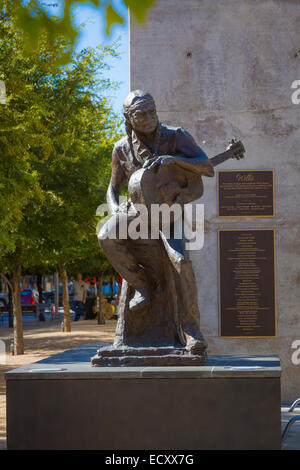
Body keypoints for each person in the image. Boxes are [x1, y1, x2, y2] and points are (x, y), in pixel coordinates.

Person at [98, 90, 214, 354]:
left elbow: (207, 167)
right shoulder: (121, 148)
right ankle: (143, 286)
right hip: (135, 212)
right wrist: (115, 209)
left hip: (169, 214)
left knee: (181, 262)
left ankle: (193, 332)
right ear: (128, 118)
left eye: (152, 111)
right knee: (105, 235)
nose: (150, 117)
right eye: (142, 113)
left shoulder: (176, 136)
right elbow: (112, 189)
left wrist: (176, 159)